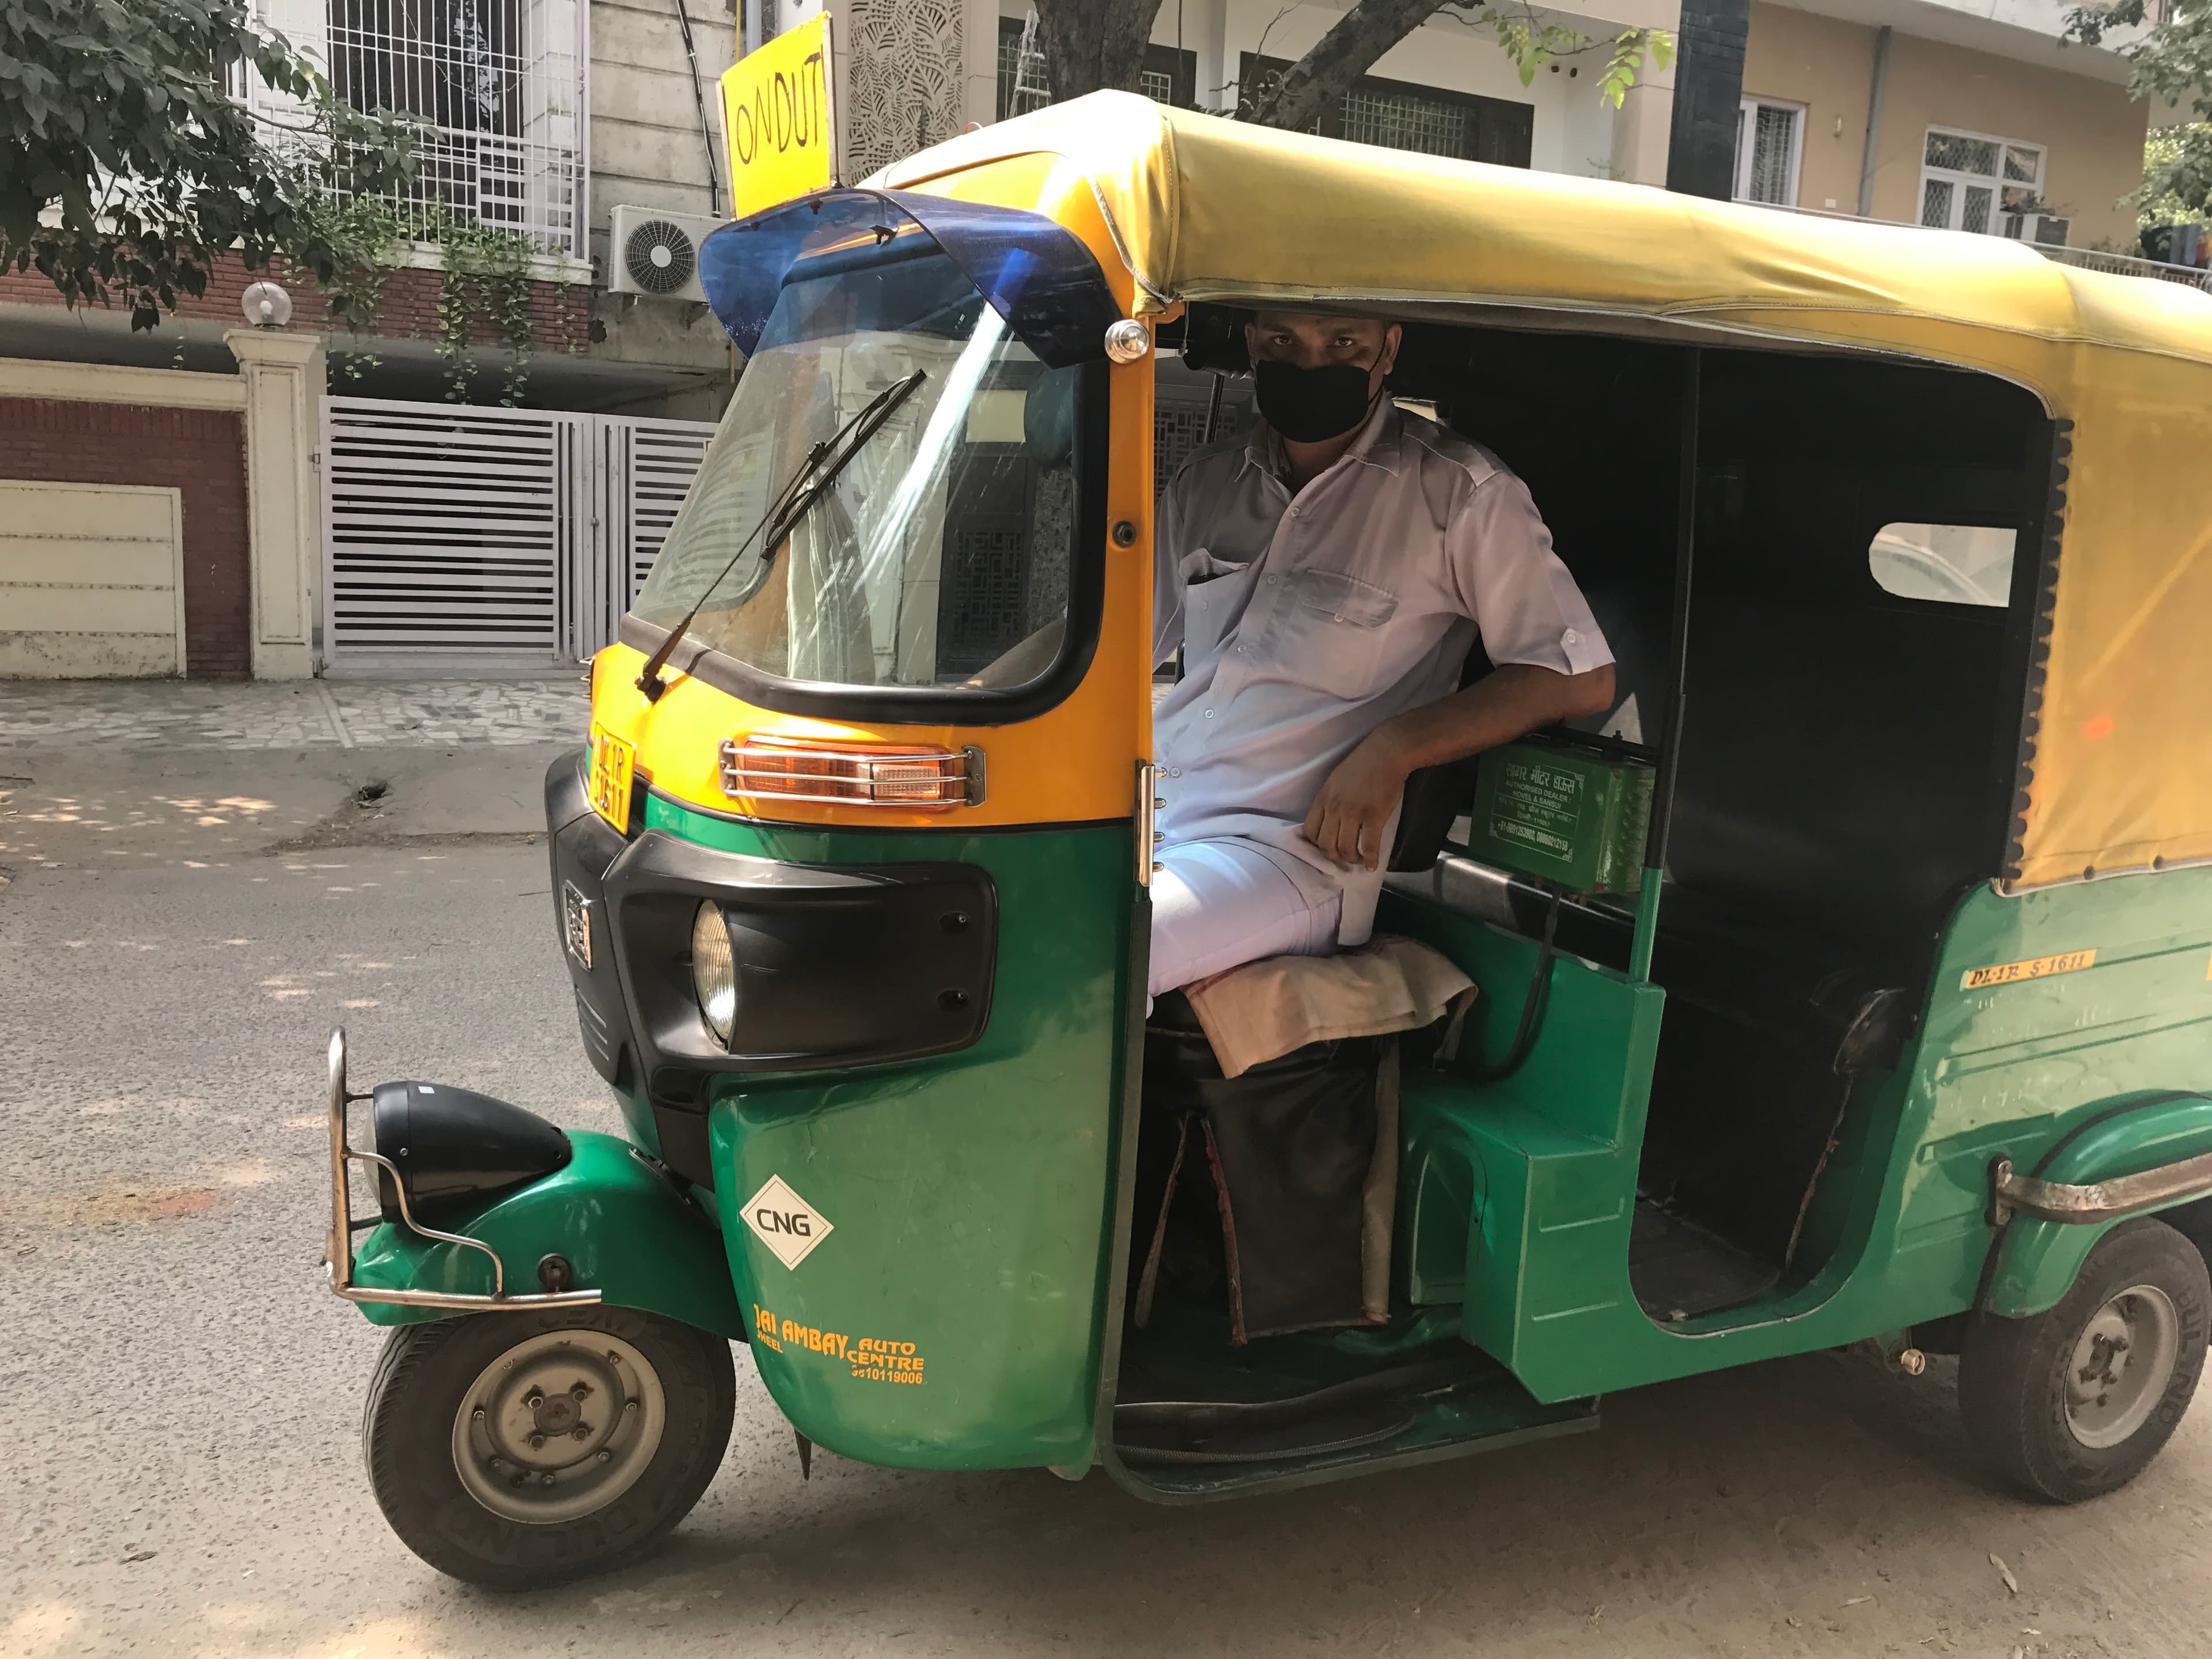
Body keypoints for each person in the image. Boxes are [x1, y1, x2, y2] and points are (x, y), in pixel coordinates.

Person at [1149, 310, 1617, 998]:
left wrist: (1396, 748)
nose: (1310, 364)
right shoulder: (1208, 482)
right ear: (1252, 342)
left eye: (1343, 343)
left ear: (1388, 349)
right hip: (1149, 815)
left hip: (1288, 855)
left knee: (1107, 948)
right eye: (1283, 341)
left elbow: (1577, 676)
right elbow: (1117, 638)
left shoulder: (1460, 492)